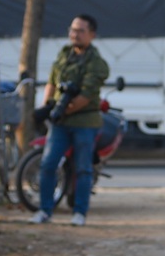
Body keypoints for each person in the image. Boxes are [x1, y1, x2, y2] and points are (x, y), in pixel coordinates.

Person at [31, 14, 109, 227]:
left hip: (84, 123)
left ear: (91, 35)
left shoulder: (97, 63)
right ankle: (45, 210)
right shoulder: (64, 55)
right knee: (48, 165)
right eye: (72, 30)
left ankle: (79, 212)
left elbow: (85, 97)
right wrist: (48, 107)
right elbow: (52, 82)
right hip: (60, 124)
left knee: (83, 168)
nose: (75, 34)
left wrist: (61, 110)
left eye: (80, 31)